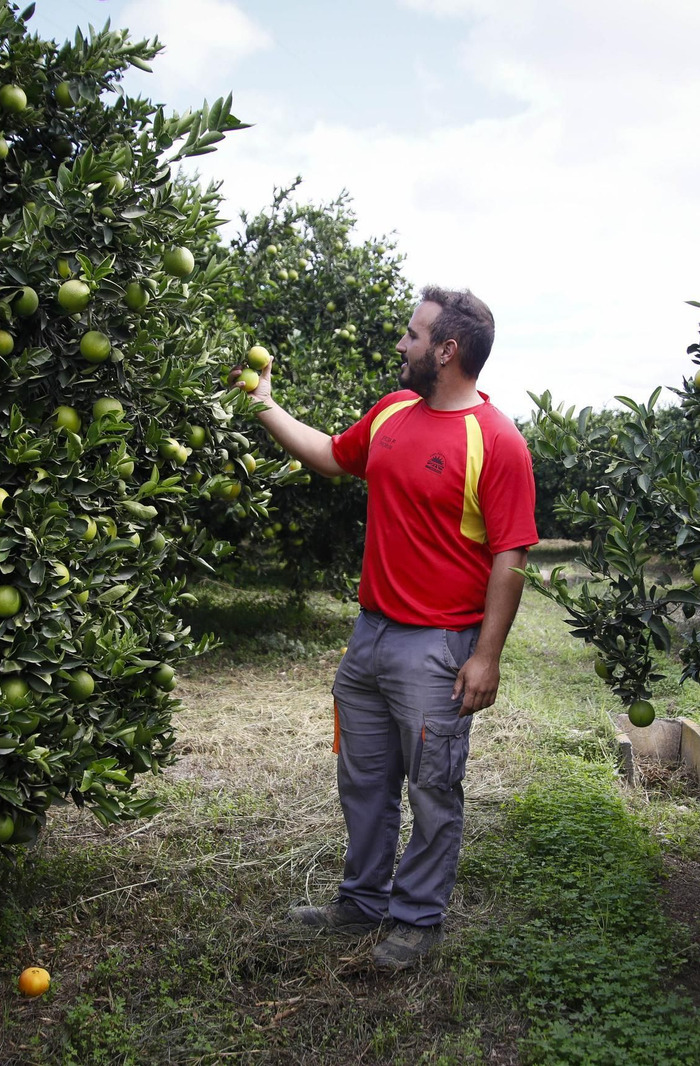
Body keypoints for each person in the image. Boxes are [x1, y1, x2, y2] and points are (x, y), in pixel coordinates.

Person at [236, 286, 538, 971]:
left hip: (438, 648)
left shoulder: (496, 441)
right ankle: (362, 901)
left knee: (432, 788)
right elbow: (329, 454)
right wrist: (265, 405)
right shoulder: (394, 410)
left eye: (413, 335)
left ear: (447, 350)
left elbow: (511, 557)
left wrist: (486, 657)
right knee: (364, 781)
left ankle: (417, 920)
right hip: (369, 635)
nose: (402, 345)